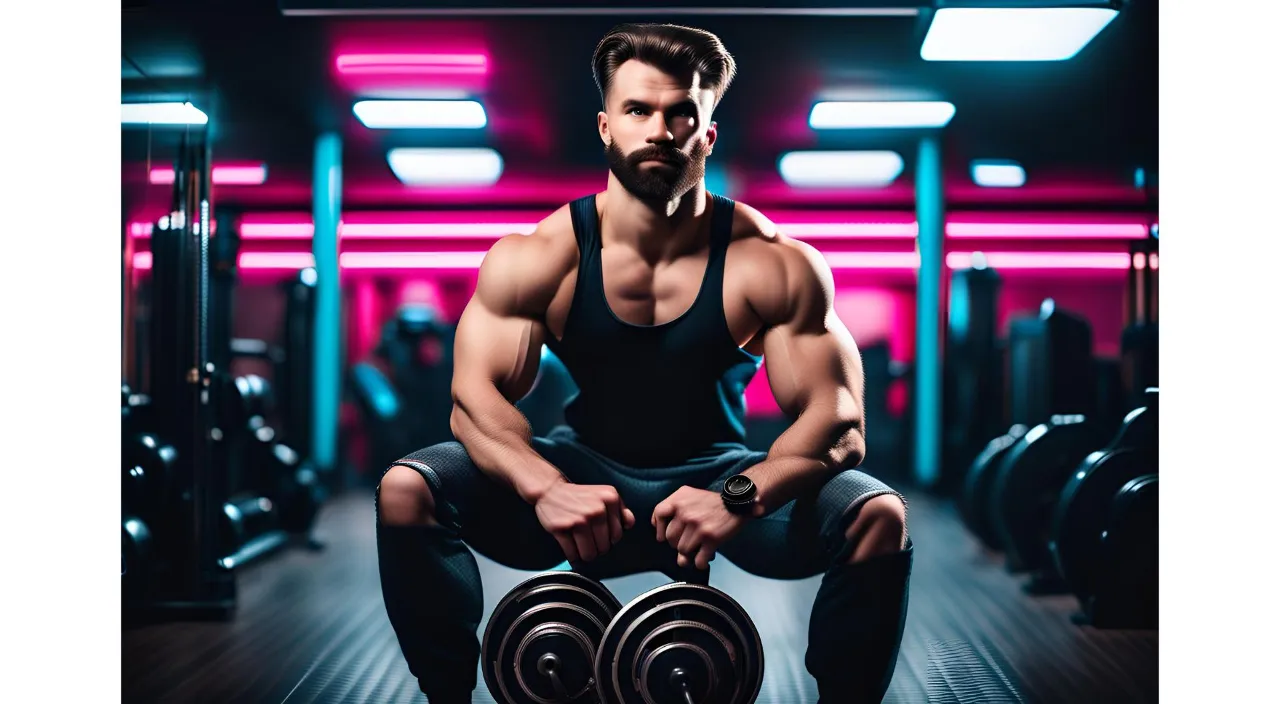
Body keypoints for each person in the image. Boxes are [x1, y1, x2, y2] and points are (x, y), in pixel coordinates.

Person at [375, 22, 913, 704]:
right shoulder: (539, 256)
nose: (660, 130)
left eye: (682, 111)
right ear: (606, 127)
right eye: (638, 110)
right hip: (579, 477)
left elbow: (839, 423)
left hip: (723, 477)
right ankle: (445, 697)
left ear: (707, 134)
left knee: (879, 516)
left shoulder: (771, 261)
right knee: (406, 488)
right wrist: (544, 486)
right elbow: (473, 400)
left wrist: (739, 498)